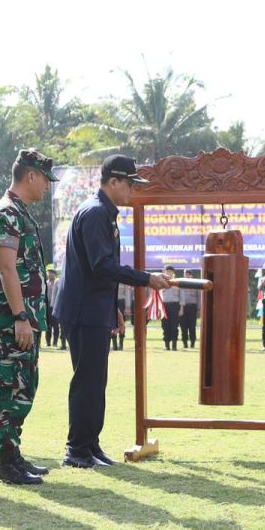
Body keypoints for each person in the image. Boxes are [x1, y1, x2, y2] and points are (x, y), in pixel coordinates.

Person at [54, 154, 171, 468]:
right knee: (87, 381)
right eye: (130, 183)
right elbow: (102, 266)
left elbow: (101, 270)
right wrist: (146, 279)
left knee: (95, 381)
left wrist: (114, 307)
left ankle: (89, 446)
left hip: (93, 307)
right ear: (114, 181)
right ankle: (76, 450)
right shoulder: (95, 213)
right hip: (82, 310)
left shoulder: (103, 213)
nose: (132, 190)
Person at [0, 148, 58, 485]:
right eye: (45, 179)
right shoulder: (7, 214)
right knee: (10, 386)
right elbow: (6, 266)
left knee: (24, 385)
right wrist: (19, 316)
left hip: (25, 317)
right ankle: (4, 461)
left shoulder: (20, 212)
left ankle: (13, 452)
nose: (47, 186)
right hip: (14, 318)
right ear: (31, 176)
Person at [160, 265, 181, 350]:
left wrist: (182, 308)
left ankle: (174, 345)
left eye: (171, 271)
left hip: (175, 305)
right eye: (167, 271)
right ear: (164, 272)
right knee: (165, 326)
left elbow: (181, 295)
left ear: (173, 273)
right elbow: (156, 294)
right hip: (164, 306)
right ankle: (167, 345)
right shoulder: (160, 281)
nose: (169, 273)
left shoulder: (177, 282)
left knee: (174, 325)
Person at [180, 268, 200, 348]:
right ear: (184, 275)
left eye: (189, 274)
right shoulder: (180, 284)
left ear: (192, 275)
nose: (187, 275)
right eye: (186, 274)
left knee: (192, 326)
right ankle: (185, 343)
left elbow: (199, 297)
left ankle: (192, 342)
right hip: (182, 308)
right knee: (183, 326)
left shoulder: (196, 284)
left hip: (192, 307)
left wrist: (199, 309)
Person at [112, 282, 133, 351]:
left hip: (121, 302)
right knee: (111, 323)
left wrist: (127, 306)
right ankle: (114, 343)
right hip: (111, 302)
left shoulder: (123, 282)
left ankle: (121, 344)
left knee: (121, 323)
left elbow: (127, 294)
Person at [45, 266, 62, 348]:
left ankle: (55, 342)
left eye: (50, 273)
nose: (49, 275)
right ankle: (48, 342)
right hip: (47, 306)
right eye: (48, 273)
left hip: (55, 306)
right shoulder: (46, 283)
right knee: (48, 325)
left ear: (54, 274)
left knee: (55, 325)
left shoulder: (57, 282)